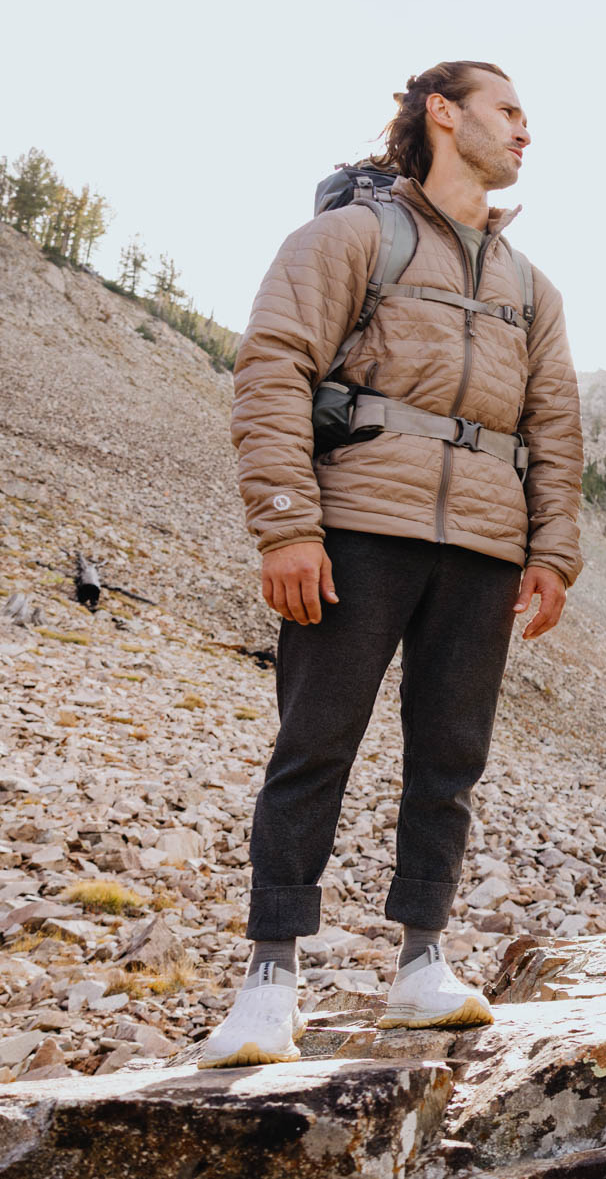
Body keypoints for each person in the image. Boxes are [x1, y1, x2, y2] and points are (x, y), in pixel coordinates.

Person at [203, 61, 584, 1068]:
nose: (524, 131)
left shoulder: (531, 286)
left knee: (449, 758)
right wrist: (287, 524)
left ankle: (423, 964)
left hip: (483, 553)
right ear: (443, 114)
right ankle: (269, 980)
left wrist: (553, 551)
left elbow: (556, 426)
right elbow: (273, 363)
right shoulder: (350, 237)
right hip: (358, 527)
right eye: (509, 111)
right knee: (314, 742)